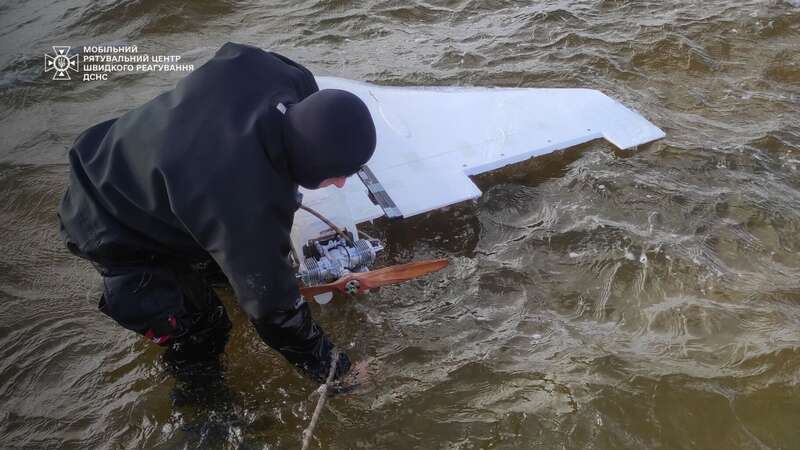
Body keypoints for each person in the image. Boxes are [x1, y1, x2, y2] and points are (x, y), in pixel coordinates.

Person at [57, 42, 376, 388]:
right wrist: (339, 373)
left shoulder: (289, 78)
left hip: (127, 154)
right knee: (206, 329)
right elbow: (274, 313)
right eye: (338, 174)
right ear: (311, 163)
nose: (343, 184)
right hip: (108, 222)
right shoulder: (244, 201)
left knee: (229, 273)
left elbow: (237, 54)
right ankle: (203, 420)